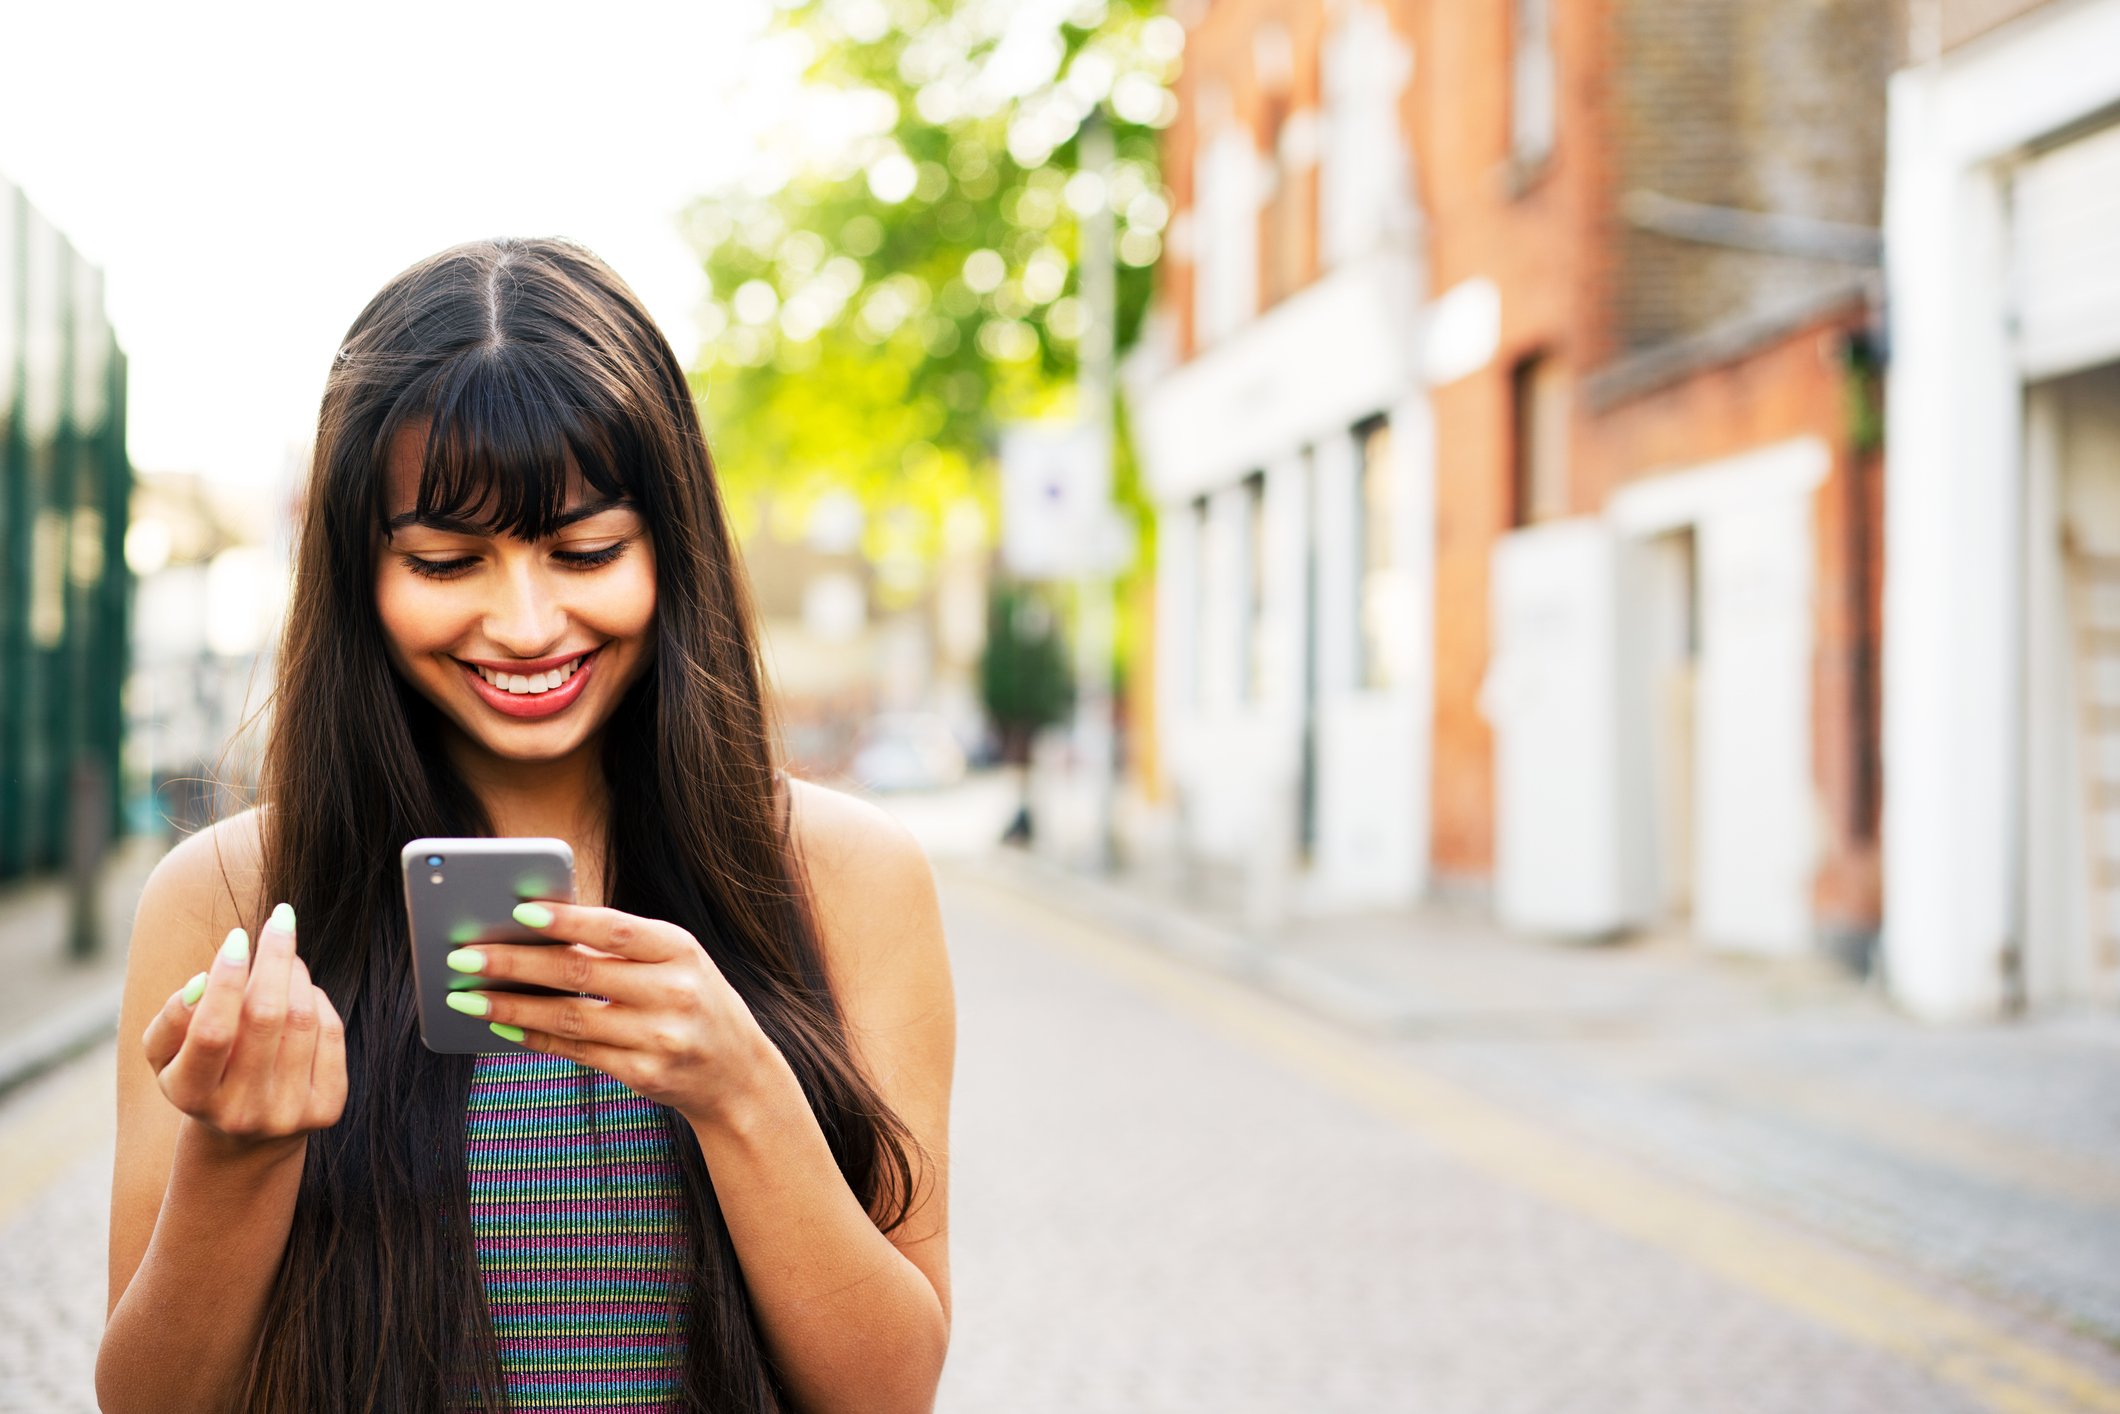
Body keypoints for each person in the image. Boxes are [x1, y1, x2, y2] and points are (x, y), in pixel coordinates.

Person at [95, 237, 956, 1414]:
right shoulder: (232, 897)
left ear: (671, 543)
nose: (526, 620)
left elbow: (888, 1391)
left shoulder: (844, 875)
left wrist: (737, 1086)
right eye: (447, 561)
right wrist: (238, 1153)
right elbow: (150, 1402)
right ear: (361, 574)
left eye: (585, 550)